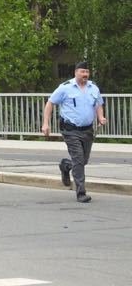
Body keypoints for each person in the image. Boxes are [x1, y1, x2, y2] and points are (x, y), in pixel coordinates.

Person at [41, 61, 106, 203]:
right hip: (70, 130)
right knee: (78, 159)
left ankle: (66, 166)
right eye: (82, 72)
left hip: (87, 130)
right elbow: (50, 103)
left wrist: (101, 117)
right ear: (76, 72)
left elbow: (98, 104)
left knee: (83, 160)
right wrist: (45, 124)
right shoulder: (65, 88)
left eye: (87, 72)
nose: (85, 75)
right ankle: (81, 192)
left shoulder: (93, 88)